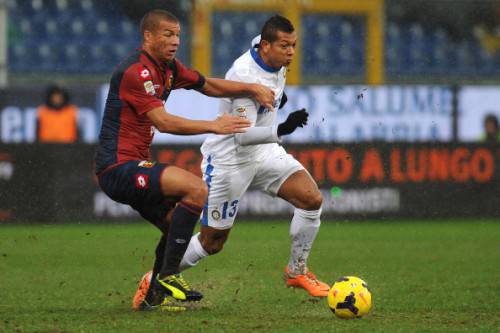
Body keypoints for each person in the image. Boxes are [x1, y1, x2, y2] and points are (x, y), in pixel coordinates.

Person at [133, 15, 330, 304]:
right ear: (265, 46)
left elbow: (270, 81)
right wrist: (282, 128)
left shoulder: (270, 55)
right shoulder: (244, 76)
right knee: (212, 242)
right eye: (285, 46)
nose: (290, 52)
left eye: (294, 46)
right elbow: (241, 136)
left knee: (312, 199)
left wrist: (279, 100)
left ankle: (296, 271)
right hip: (230, 160)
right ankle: (154, 280)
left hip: (264, 152)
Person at [95, 9, 274, 312]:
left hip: (133, 165)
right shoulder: (135, 72)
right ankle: (168, 276)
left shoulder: (169, 68)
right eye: (167, 34)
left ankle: (153, 296)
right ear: (148, 36)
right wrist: (213, 124)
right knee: (197, 190)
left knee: (173, 226)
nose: (175, 40)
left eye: (177, 34)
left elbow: (209, 85)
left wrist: (250, 88)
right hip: (117, 167)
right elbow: (163, 122)